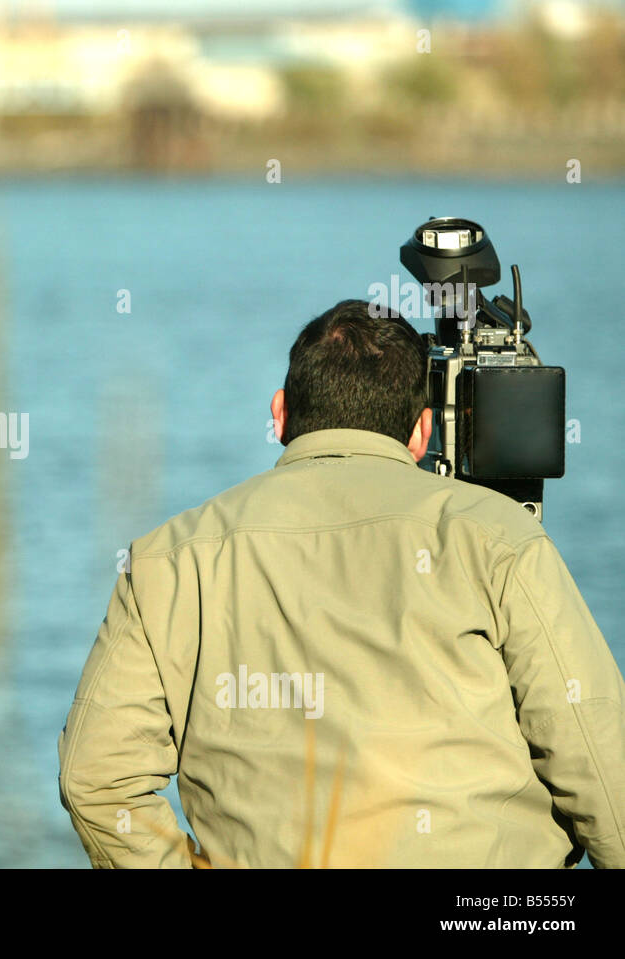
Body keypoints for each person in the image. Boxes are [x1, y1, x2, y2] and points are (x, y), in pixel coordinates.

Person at [58, 299, 625, 868]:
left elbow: (94, 779)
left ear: (279, 414)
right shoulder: (497, 538)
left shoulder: (168, 559)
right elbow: (598, 759)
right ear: (422, 432)